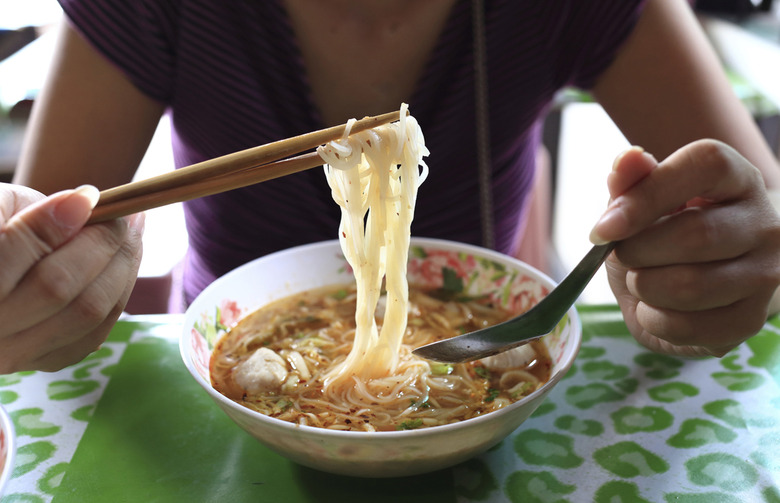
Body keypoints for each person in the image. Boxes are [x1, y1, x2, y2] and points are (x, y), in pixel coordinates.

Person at [2, 0, 779, 373]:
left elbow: (761, 221)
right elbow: (40, 250)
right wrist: (38, 296)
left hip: (477, 367)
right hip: (214, 375)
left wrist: (717, 267)